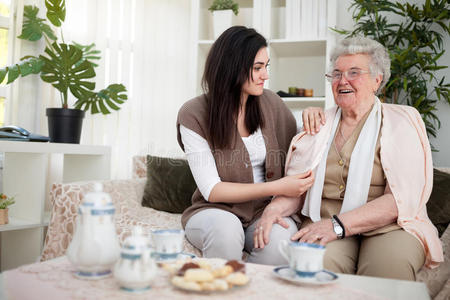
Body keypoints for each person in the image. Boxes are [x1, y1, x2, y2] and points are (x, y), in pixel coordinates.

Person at [254, 36, 443, 280]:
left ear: (377, 80)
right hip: (323, 220)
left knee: (386, 270)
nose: (343, 80)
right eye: (336, 73)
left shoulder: (403, 121)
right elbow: (297, 190)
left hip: (390, 227)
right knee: (315, 268)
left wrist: (338, 225)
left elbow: (401, 199)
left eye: (354, 72)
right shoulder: (317, 126)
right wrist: (273, 210)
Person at [176, 26, 316, 265]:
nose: (266, 75)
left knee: (280, 243)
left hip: (264, 210)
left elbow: (301, 147)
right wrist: (278, 186)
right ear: (233, 67)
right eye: (257, 68)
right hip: (215, 210)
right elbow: (212, 190)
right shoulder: (194, 114)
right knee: (226, 231)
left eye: (266, 66)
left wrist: (311, 115)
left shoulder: (271, 103)